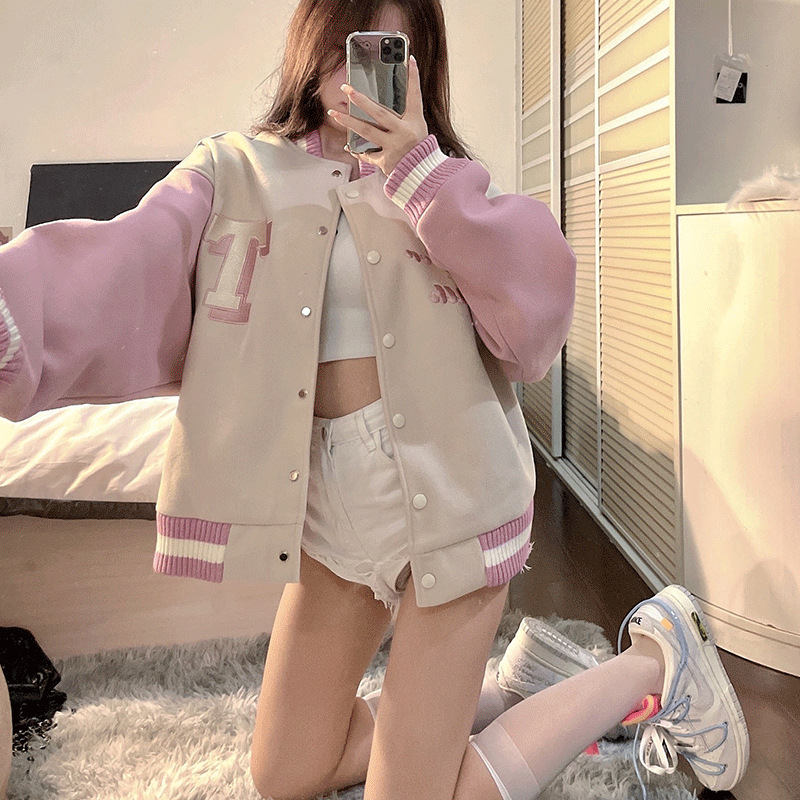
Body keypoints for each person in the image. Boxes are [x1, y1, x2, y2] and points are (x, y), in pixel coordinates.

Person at [0, 1, 748, 799]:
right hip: (333, 526)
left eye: (382, 48)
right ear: (308, 48)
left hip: (456, 502)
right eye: (338, 44)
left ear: (416, 64)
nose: (350, 71)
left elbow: (536, 318)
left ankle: (654, 661)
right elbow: (131, 253)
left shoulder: (441, 181)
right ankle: (518, 688)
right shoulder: (233, 169)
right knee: (285, 771)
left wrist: (420, 173)